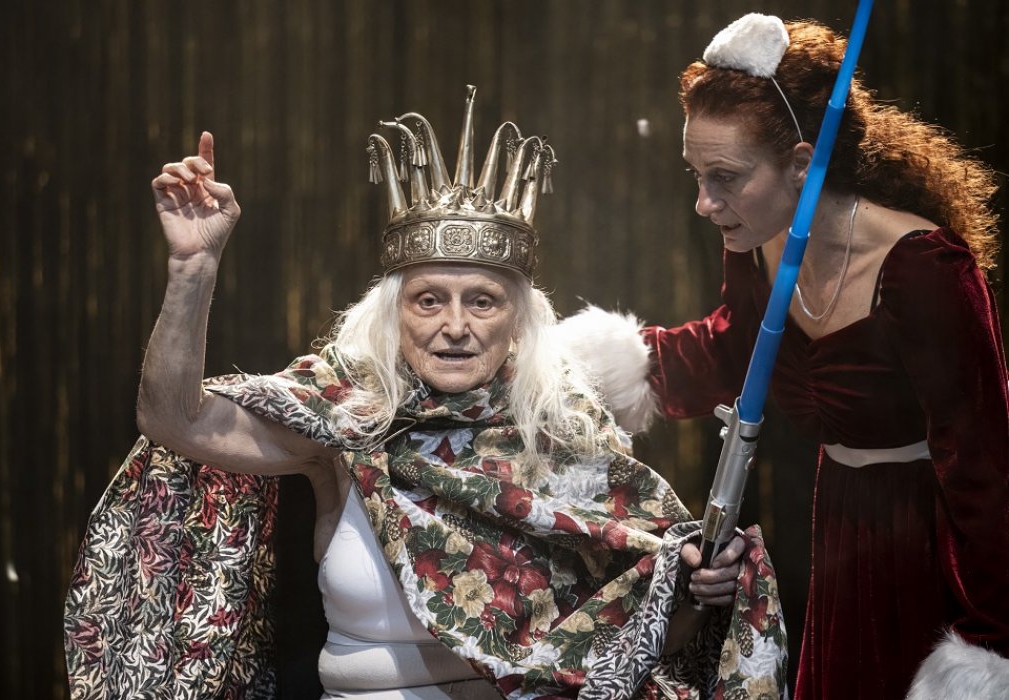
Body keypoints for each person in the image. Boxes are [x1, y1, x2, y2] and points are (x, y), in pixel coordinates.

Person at [64, 87, 788, 699]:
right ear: (393, 314)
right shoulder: (342, 421)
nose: (455, 327)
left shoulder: (567, 434)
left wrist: (694, 590)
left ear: (518, 322)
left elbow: (644, 636)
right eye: (428, 300)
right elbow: (174, 419)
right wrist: (193, 270)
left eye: (482, 302)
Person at [563, 13, 1009, 700]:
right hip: (840, 532)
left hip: (934, 548)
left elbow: (985, 469)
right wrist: (575, 366)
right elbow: (731, 346)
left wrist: (988, 640)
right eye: (695, 175)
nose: (703, 202)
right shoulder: (759, 240)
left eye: (724, 177)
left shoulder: (924, 269)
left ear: (801, 163)